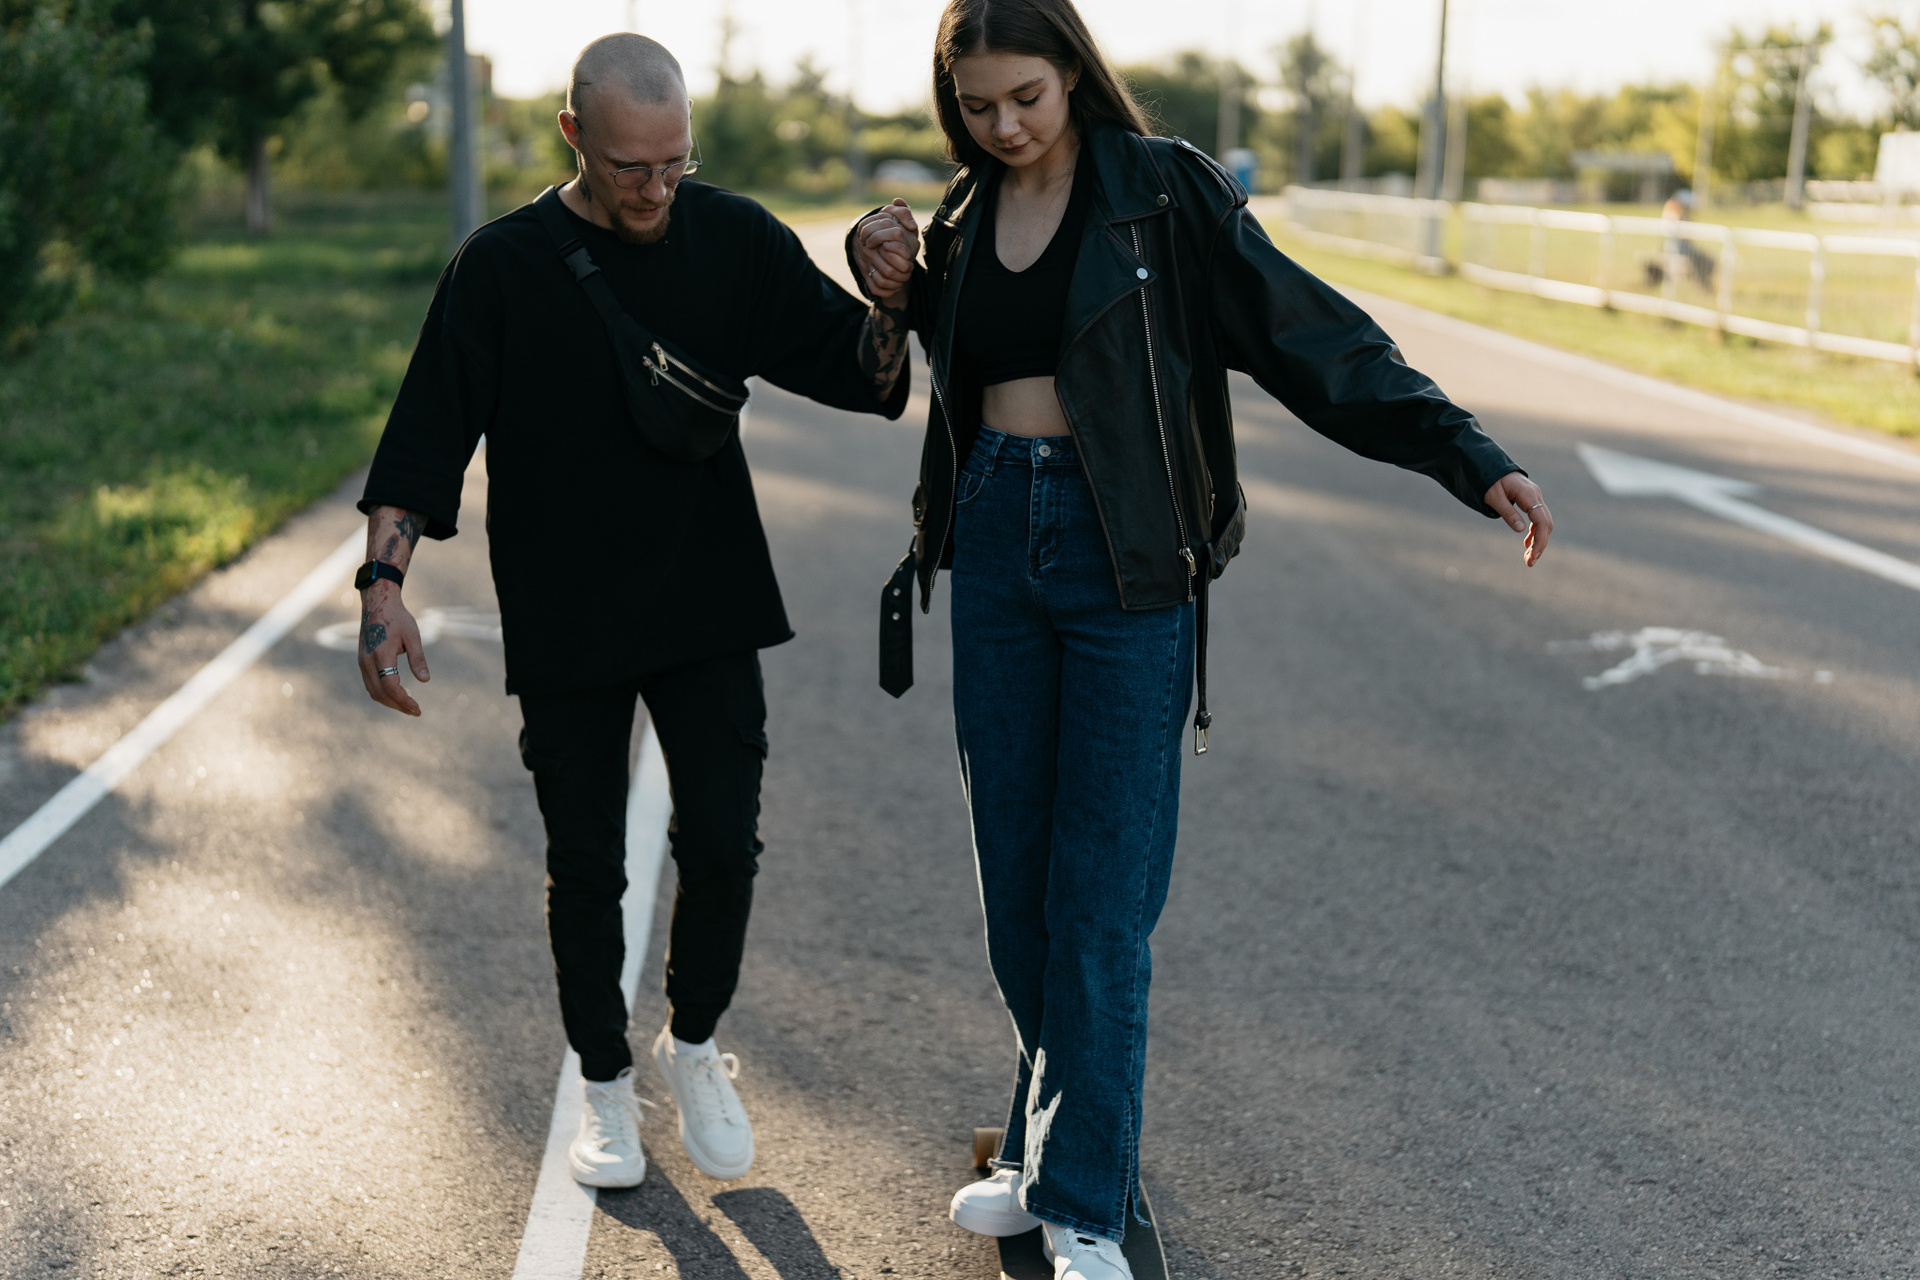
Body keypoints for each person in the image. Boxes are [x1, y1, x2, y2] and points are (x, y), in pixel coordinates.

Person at [848, 2, 1552, 1276]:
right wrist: (886, 280)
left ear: (1073, 73)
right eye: (977, 106)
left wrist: (1464, 452)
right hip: (995, 541)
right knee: (1018, 887)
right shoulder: (956, 216)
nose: (1004, 126)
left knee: (1101, 895)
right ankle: (1042, 1145)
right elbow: (897, 375)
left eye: (1025, 98)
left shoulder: (1162, 195)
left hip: (1126, 555)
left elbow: (1311, 334)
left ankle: (1083, 1203)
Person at [355, 34, 911, 1190]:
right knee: (586, 861)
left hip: (709, 595)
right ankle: (604, 1083)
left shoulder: (734, 239)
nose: (656, 189)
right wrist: (383, 587)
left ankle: (693, 1042)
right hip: (565, 610)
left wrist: (892, 297)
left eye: (674, 163)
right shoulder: (501, 267)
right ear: (574, 136)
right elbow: (423, 439)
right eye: (629, 168)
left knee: (722, 842)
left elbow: (866, 376)